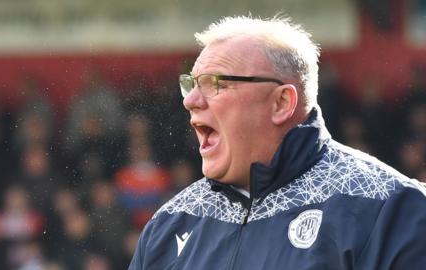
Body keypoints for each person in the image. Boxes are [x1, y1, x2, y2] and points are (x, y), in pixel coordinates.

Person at [129, 15, 426, 270]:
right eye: (191, 85)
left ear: (282, 102)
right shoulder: (169, 224)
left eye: (215, 83)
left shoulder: (391, 209)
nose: (191, 101)